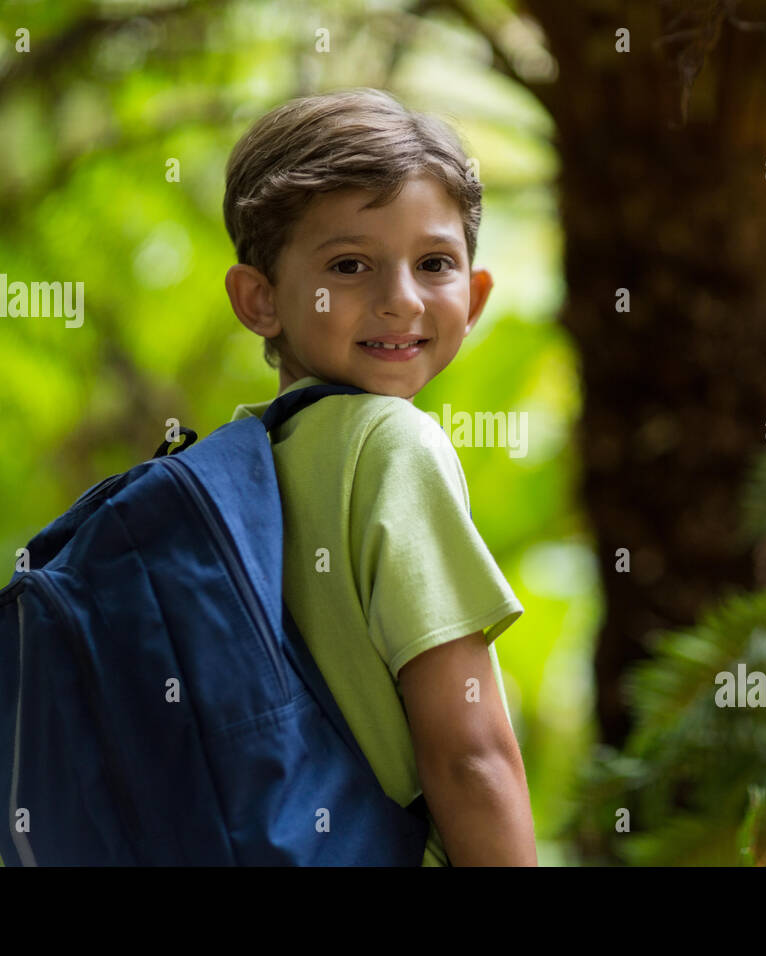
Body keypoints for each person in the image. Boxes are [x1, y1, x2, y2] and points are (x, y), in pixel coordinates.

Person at [221, 88, 537, 866]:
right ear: (259, 299)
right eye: (350, 265)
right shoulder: (393, 446)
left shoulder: (242, 459)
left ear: (476, 294)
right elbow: (470, 755)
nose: (400, 301)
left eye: (434, 264)